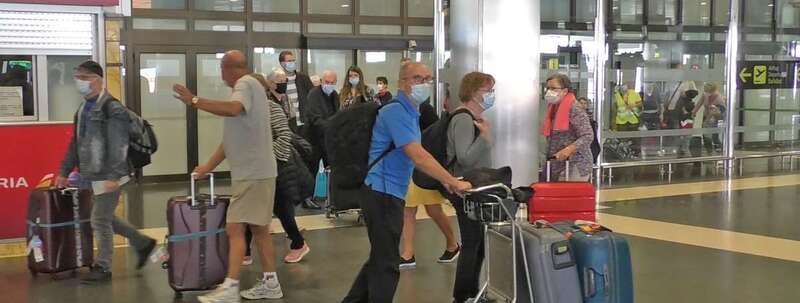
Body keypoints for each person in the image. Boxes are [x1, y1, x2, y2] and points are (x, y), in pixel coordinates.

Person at [341, 63, 472, 303]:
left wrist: (445, 179)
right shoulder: (397, 112)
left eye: (428, 79)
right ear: (402, 82)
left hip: (388, 192)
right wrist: (451, 181)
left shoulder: (411, 111)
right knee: (387, 263)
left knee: (380, 256)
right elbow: (417, 155)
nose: (424, 83)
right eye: (417, 78)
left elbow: (414, 155)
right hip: (382, 192)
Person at [172, 50, 283, 302]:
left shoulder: (245, 84)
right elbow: (230, 142)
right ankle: (271, 283)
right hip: (259, 172)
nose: (221, 74)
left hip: (253, 174)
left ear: (229, 68)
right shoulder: (253, 88)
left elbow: (233, 109)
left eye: (221, 68)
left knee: (234, 227)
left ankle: (230, 288)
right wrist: (207, 167)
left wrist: (194, 100)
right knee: (260, 229)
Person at [56, 60, 157, 284]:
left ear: (97, 80)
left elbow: (119, 144)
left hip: (110, 173)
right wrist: (64, 171)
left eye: (84, 77)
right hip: (92, 173)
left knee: (99, 219)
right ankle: (143, 243)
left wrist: (113, 176)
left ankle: (103, 267)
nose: (79, 81)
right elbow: (75, 143)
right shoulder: (83, 108)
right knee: (104, 216)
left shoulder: (112, 108)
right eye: (78, 77)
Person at [242, 72, 311, 265]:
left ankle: (298, 243)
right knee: (257, 207)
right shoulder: (248, 111)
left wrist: (266, 155)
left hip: (277, 168)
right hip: (259, 168)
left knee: (279, 208)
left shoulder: (271, 108)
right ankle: (246, 251)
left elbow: (284, 136)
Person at [399, 86, 460, 269]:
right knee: (410, 209)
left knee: (432, 209)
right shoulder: (402, 110)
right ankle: (408, 253)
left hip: (424, 167)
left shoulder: (425, 110)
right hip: (411, 165)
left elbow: (435, 138)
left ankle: (452, 243)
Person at [448, 72, 496, 303]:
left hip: (475, 188)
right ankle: (463, 294)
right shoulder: (464, 119)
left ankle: (472, 292)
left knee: (478, 243)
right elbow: (465, 157)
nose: (491, 95)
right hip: (466, 189)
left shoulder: (473, 118)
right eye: (488, 90)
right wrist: (484, 138)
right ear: (474, 92)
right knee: (472, 242)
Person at [542, 73, 594, 181]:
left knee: (570, 191)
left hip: (576, 164)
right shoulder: (553, 107)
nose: (549, 91)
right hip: (557, 163)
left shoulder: (574, 108)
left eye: (553, 88)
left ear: (565, 91)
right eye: (548, 88)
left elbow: (588, 135)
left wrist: (569, 149)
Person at [303, 70, 339, 180]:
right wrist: (332, 126)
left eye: (332, 83)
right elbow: (315, 119)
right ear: (321, 81)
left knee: (331, 171)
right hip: (314, 139)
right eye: (327, 82)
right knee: (312, 172)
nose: (329, 85)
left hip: (328, 141)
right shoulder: (313, 95)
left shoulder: (335, 95)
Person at [278, 50, 314, 134]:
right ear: (282, 64)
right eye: (289, 61)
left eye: (293, 60)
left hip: (304, 122)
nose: (292, 63)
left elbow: (312, 97)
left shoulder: (303, 78)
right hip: (287, 123)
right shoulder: (279, 81)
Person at [663, 81, 698, 157]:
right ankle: (678, 151)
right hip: (673, 111)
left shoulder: (689, 82)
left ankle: (685, 151)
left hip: (685, 110)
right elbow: (666, 96)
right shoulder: (671, 82)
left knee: (686, 133)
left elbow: (695, 93)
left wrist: (686, 94)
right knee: (676, 133)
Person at [692, 82, 725, 154]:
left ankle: (719, 150)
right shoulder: (705, 94)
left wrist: (706, 122)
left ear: (713, 90)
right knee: (705, 135)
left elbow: (713, 112)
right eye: (706, 91)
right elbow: (699, 104)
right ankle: (709, 151)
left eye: (708, 91)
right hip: (706, 115)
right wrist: (694, 112)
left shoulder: (719, 99)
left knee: (714, 136)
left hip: (716, 117)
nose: (707, 93)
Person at [577, 97, 601, 164]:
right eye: (581, 103)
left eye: (585, 103)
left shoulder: (591, 119)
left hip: (590, 146)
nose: (583, 105)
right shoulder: (574, 116)